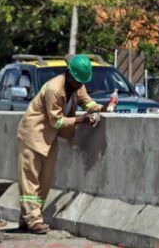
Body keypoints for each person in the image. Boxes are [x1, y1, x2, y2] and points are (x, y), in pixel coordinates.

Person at [16, 54, 102, 234]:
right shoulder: (54, 89)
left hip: (49, 136)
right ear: (69, 75)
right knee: (30, 178)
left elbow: (88, 103)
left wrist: (102, 108)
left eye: (82, 83)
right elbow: (56, 121)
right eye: (77, 81)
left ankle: (28, 217)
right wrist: (80, 120)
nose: (80, 86)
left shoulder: (78, 86)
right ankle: (34, 220)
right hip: (33, 132)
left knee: (46, 179)